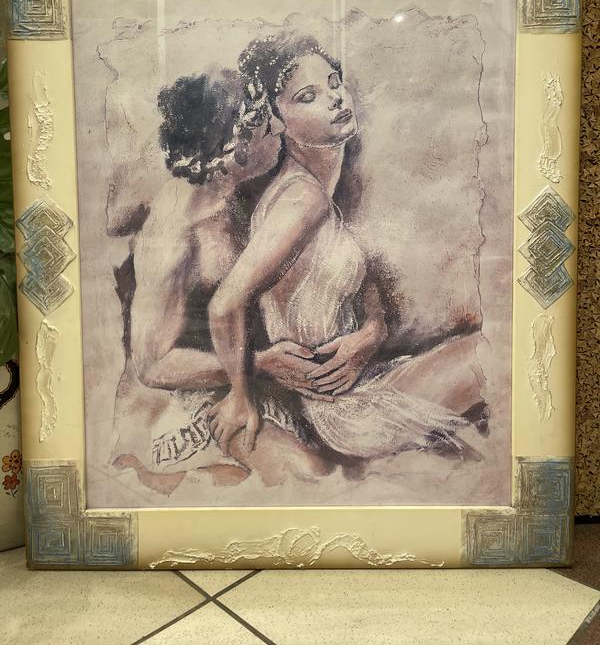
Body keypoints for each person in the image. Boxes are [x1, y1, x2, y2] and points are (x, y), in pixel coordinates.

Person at [207, 31, 487, 464]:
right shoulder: (301, 200)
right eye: (308, 97)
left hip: (365, 382)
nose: (336, 99)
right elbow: (224, 304)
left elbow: (355, 278)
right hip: (343, 411)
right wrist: (240, 396)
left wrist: (372, 331)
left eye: (334, 83)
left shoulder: (316, 192)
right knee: (499, 352)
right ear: (276, 121)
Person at [111, 67, 333, 494]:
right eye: (267, 127)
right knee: (306, 475)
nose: (280, 130)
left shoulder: (242, 188)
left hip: (260, 371)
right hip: (199, 392)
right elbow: (153, 365)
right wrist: (259, 365)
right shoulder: (174, 234)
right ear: (236, 149)